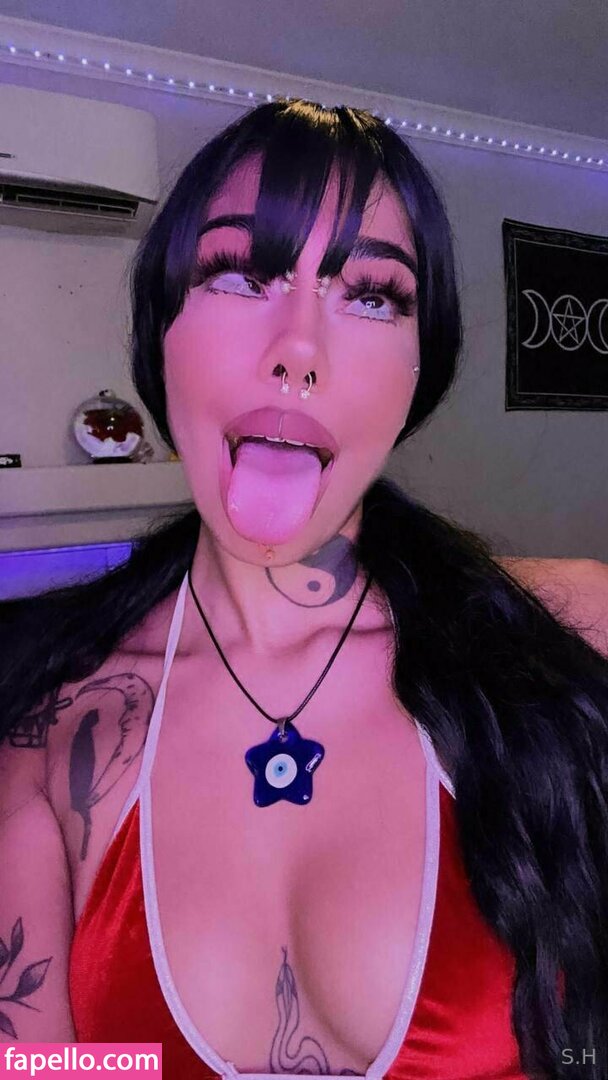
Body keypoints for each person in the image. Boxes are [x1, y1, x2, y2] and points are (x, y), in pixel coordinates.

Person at [1, 99, 607, 1080]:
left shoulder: (567, 644)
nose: (297, 350)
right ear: (161, 332)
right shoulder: (55, 717)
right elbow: (40, 1067)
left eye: (371, 294)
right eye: (241, 274)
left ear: (419, 369)